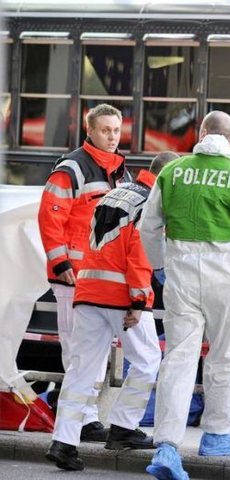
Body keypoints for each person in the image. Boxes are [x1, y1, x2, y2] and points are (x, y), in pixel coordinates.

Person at [140, 110, 230, 480]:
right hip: (226, 279)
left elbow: (148, 227)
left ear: (202, 132)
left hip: (181, 278)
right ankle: (217, 435)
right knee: (224, 357)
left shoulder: (172, 173)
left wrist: (158, 264)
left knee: (178, 359)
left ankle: (167, 446)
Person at [44, 151, 180, 471]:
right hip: (121, 295)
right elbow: (139, 252)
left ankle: (63, 442)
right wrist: (139, 299)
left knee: (81, 369)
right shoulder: (151, 203)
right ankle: (123, 427)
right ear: (167, 177)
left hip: (88, 290)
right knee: (147, 359)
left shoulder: (115, 193)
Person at [37, 103, 131, 442]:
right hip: (73, 276)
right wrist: (61, 264)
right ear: (89, 130)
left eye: (116, 130)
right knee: (77, 350)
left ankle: (84, 417)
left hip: (99, 278)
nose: (112, 136)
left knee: (96, 351)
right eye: (105, 130)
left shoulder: (120, 171)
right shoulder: (72, 168)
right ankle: (82, 419)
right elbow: (50, 216)